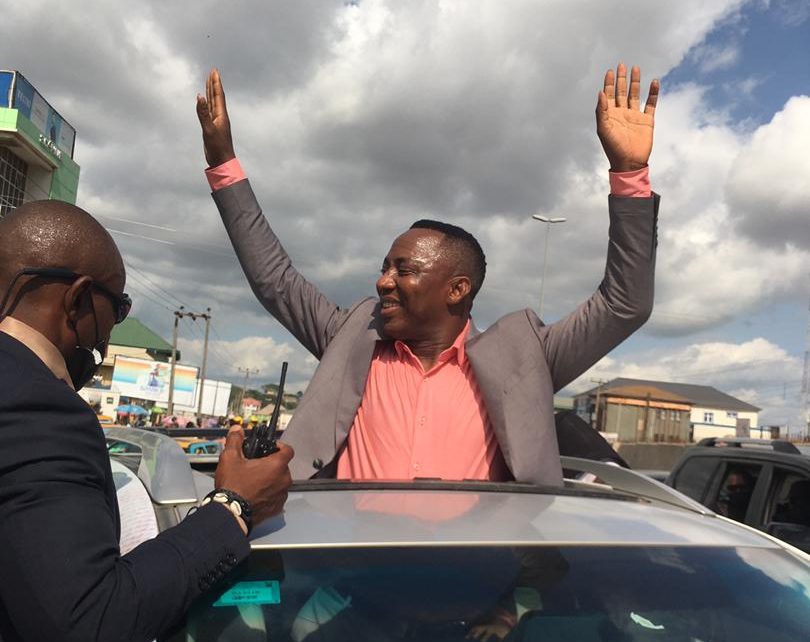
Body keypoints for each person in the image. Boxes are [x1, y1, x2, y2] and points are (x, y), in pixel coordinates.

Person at [196, 63, 660, 485]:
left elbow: (624, 305)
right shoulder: (352, 336)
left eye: (404, 270)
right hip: (348, 569)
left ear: (457, 289)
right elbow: (274, 279)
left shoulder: (526, 359)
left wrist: (630, 174)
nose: (383, 282)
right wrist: (223, 164)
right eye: (384, 268)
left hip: (473, 576)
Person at [0, 201, 294, 642]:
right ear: (78, 298)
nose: (111, 333)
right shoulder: (42, 410)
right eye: (117, 310)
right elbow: (92, 621)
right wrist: (233, 505)